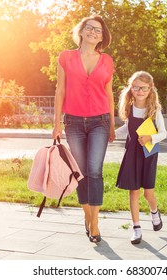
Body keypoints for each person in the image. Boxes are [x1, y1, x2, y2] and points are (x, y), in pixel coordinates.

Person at [52, 15, 115, 243]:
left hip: (100, 121)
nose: (93, 32)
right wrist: (57, 124)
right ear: (81, 31)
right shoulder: (66, 57)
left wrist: (112, 122)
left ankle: (95, 223)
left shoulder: (107, 60)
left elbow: (108, 93)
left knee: (94, 171)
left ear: (102, 37)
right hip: (74, 122)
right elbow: (60, 91)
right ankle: (87, 217)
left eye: (98, 30)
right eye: (89, 28)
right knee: (81, 173)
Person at [115, 71, 167, 244]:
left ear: (150, 89)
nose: (139, 91)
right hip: (132, 153)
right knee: (134, 191)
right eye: (136, 87)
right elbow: (127, 129)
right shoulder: (129, 108)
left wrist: (150, 138)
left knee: (148, 193)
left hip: (149, 153)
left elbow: (163, 133)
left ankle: (154, 212)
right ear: (131, 88)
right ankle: (136, 228)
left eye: (143, 87)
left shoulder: (154, 110)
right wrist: (112, 135)